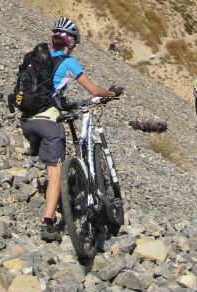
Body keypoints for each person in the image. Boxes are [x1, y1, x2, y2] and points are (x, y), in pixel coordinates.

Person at [20, 16, 123, 241]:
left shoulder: (37, 58)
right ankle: (48, 223)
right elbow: (93, 90)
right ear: (70, 42)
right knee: (56, 172)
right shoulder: (68, 61)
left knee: (48, 159)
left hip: (28, 121)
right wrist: (112, 93)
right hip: (48, 122)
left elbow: (47, 89)